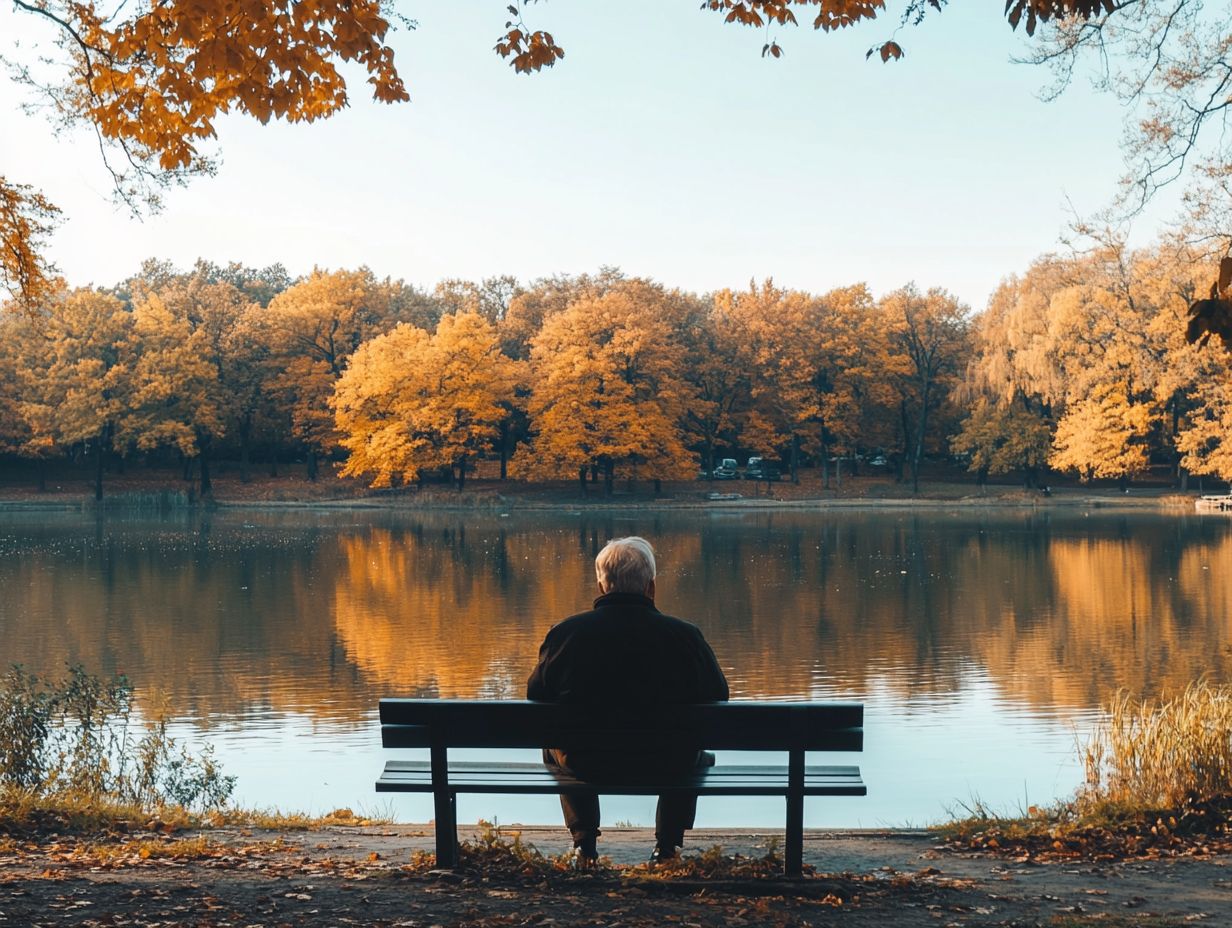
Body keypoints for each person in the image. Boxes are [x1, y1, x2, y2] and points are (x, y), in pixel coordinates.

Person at [526, 536, 729, 867]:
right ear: (651, 587)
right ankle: (667, 849)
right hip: (667, 763)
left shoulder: (567, 635)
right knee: (696, 753)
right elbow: (718, 695)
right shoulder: (684, 637)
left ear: (602, 585)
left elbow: (536, 696)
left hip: (587, 762)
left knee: (555, 745)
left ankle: (584, 846)